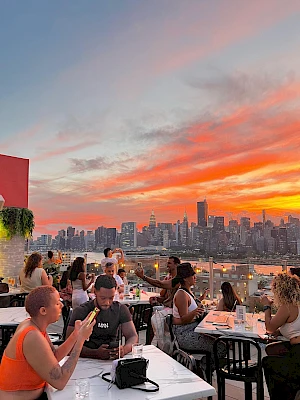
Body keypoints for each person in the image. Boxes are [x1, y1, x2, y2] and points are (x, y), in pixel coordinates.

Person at [0, 285, 95, 399]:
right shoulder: (32, 336)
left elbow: (53, 356)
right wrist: (81, 340)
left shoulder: (33, 325)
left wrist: (76, 334)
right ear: (43, 311)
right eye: (56, 303)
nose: (61, 305)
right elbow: (60, 381)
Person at [66, 274, 138, 360]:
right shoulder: (82, 311)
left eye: (111, 298)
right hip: (85, 359)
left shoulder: (120, 309)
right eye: (103, 298)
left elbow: (133, 336)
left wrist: (124, 350)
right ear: (95, 292)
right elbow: (68, 345)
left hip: (111, 357)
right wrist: (94, 353)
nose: (107, 302)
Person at [261, 273, 300, 400]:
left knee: (267, 363)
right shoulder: (297, 304)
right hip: (295, 348)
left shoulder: (287, 306)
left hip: (298, 353)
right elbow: (294, 326)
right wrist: (281, 332)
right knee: (272, 350)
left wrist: (267, 307)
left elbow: (269, 327)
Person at [135, 260, 209, 305]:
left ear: (176, 265)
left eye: (169, 263)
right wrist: (143, 277)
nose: (167, 265)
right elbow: (159, 284)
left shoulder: (183, 287)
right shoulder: (178, 285)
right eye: (193, 276)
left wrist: (202, 298)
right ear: (186, 278)